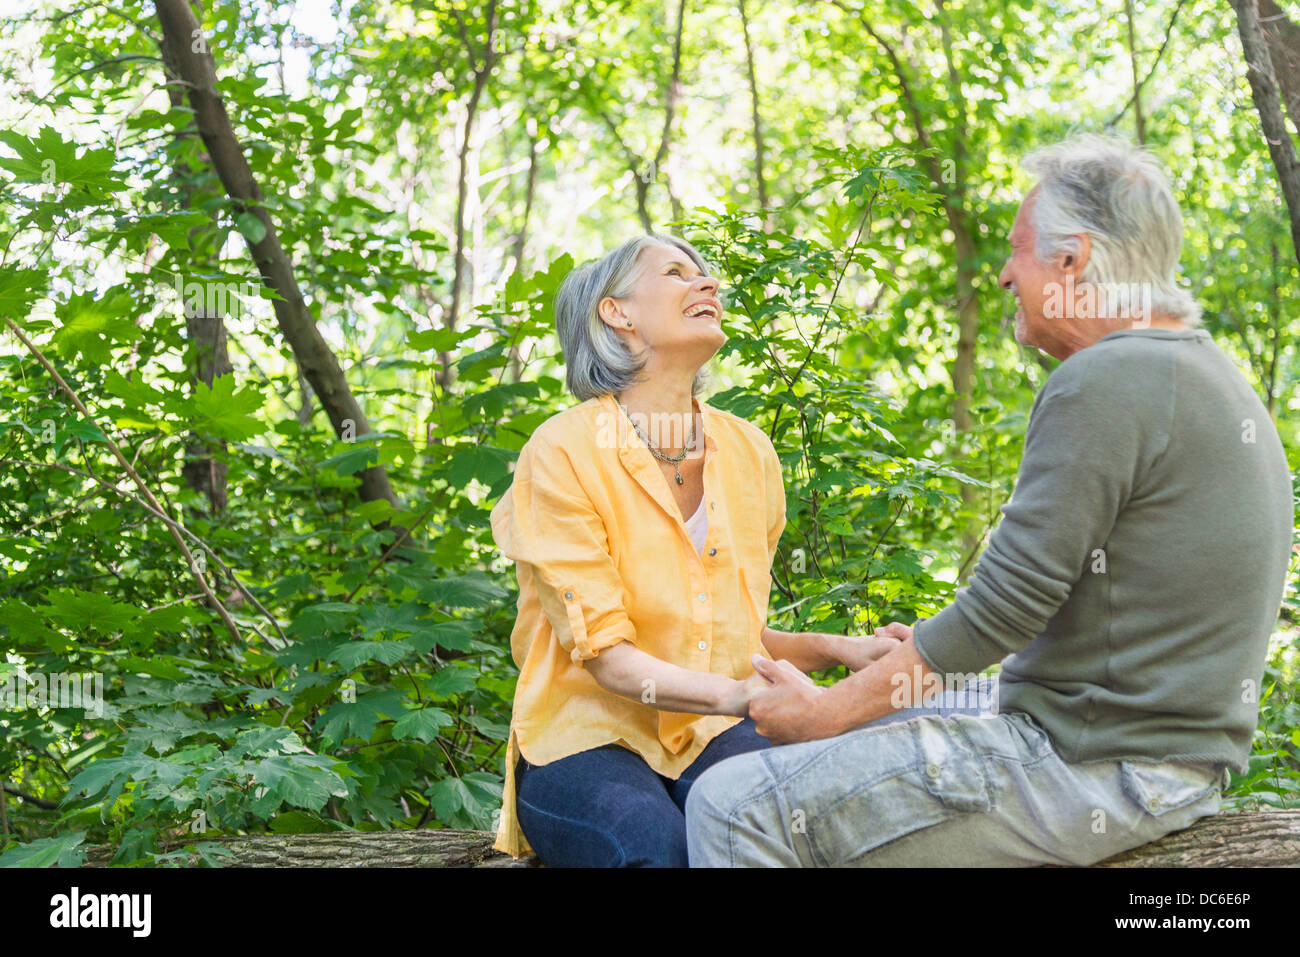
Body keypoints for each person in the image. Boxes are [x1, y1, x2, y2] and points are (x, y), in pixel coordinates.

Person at [684, 133, 1295, 867]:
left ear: (1072, 263)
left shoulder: (1108, 380)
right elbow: (1081, 613)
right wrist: (912, 666)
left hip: (1099, 767)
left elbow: (1006, 606)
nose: (1005, 275)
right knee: (877, 716)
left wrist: (825, 714)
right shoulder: (1200, 373)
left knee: (729, 806)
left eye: (1018, 250)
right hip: (1146, 754)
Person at [489, 233, 898, 866]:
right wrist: (744, 698)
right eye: (677, 273)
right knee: (663, 851)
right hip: (586, 739)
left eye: (704, 274)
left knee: (809, 831)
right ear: (616, 313)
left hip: (713, 731)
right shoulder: (562, 450)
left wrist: (843, 650)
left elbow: (729, 638)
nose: (706, 284)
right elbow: (608, 658)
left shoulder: (750, 452)